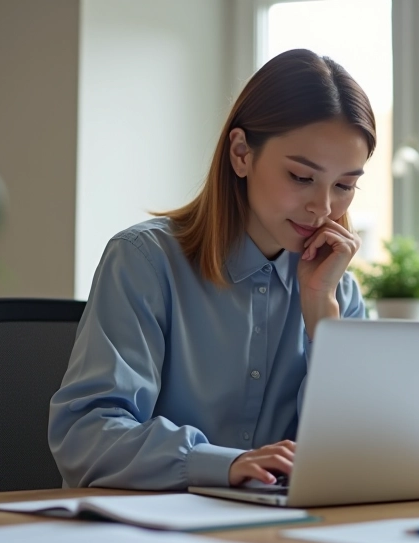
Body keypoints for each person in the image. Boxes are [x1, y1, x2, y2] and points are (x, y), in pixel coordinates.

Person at [48, 49, 375, 491]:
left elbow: (356, 455)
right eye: (301, 177)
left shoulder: (336, 290)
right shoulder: (145, 260)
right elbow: (84, 436)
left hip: (278, 542)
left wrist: (322, 315)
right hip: (146, 541)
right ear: (241, 153)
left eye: (344, 186)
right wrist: (221, 463)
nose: (323, 207)